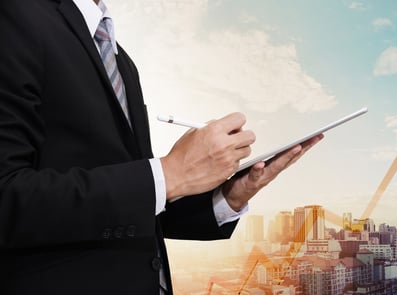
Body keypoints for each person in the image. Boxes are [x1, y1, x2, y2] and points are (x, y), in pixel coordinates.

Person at [0, 0, 322, 294]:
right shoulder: (15, 15)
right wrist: (171, 173)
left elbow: (136, 208)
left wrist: (231, 195)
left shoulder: (120, 60)